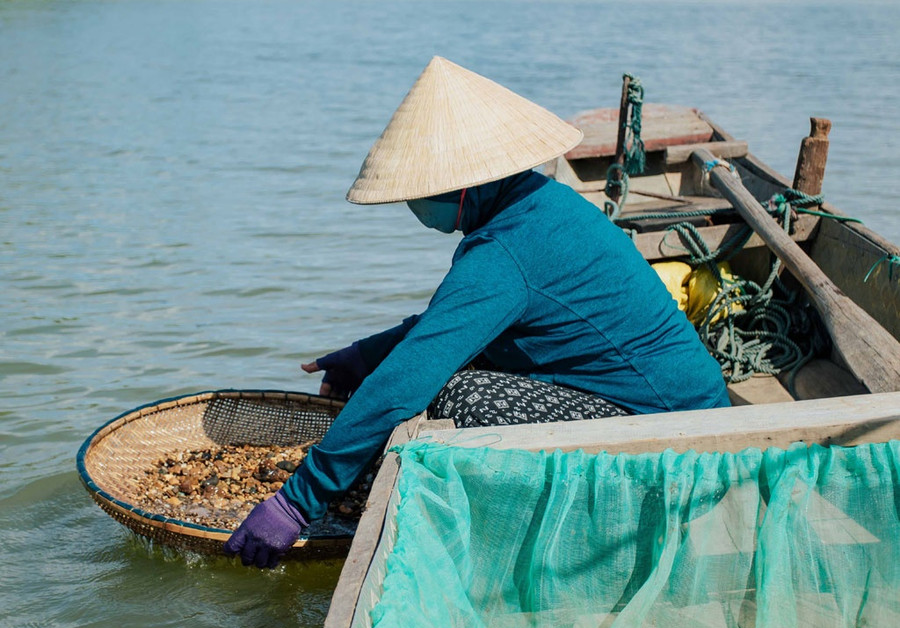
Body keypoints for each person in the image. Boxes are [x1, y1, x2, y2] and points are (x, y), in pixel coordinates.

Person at [224, 57, 730, 568]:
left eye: (423, 193)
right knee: (451, 365)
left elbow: (409, 377)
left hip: (678, 445)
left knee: (454, 392)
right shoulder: (540, 202)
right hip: (687, 412)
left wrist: (295, 502)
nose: (417, 206)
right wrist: (365, 355)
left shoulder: (504, 253)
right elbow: (456, 323)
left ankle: (543, 540)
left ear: (465, 184)